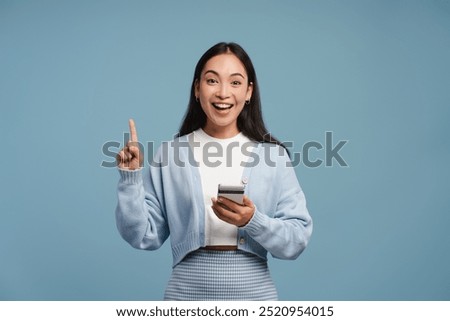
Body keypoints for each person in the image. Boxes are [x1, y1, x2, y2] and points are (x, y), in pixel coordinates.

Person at [115, 42, 313, 300]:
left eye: (235, 82)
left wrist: (252, 221)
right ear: (197, 89)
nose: (223, 93)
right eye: (211, 81)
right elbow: (142, 236)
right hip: (184, 298)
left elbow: (296, 241)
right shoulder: (170, 154)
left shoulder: (273, 157)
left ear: (248, 92)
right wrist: (131, 180)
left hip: (255, 298)